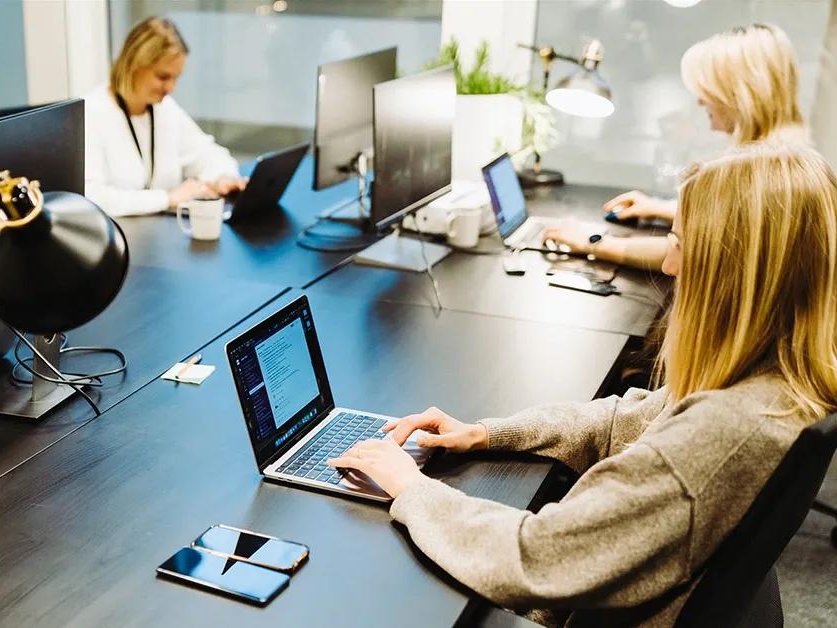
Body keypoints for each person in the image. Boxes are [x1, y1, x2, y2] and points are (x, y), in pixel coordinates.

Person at [329, 142, 837, 625]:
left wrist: (410, 487)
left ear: (735, 272)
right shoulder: (775, 379)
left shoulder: (717, 439)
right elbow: (629, 418)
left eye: (680, 244)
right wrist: (487, 433)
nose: (668, 264)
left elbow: (535, 560)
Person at [544, 23, 809, 271]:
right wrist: (662, 207)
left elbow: (690, 250)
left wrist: (593, 243)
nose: (700, 101)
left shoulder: (762, 173)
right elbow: (731, 223)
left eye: (709, 89)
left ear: (740, 95)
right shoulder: (785, 154)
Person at [84, 16, 245, 217]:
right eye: (162, 77)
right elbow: (92, 198)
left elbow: (206, 153)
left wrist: (224, 177)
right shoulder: (91, 113)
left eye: (175, 77)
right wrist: (168, 198)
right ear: (133, 65)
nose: (170, 88)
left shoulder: (163, 108)